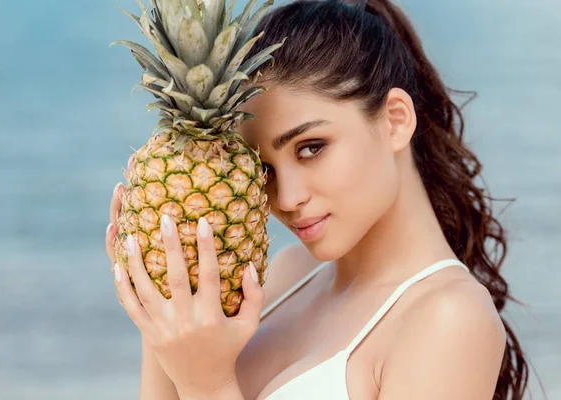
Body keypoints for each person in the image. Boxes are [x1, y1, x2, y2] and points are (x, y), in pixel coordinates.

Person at [105, 0, 529, 398]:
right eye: (263, 169)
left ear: (395, 120)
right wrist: (158, 303)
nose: (285, 198)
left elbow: (203, 386)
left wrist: (208, 385)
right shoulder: (286, 277)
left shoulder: (450, 318)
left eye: (311, 148)